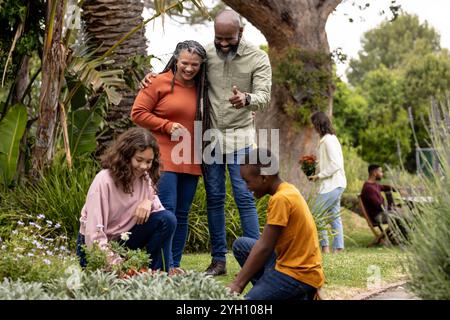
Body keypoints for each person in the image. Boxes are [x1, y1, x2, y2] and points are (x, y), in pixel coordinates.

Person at [141, 9, 272, 276]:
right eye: (218, 38)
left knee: (244, 197)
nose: (223, 44)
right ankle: (218, 261)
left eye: (229, 39)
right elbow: (181, 69)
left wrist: (247, 99)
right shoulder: (207, 54)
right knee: (214, 199)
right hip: (210, 137)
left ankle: (255, 261)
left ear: (241, 33)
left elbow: (264, 95)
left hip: (240, 138)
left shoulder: (258, 58)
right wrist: (152, 78)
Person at [131, 40, 210, 274]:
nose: (189, 68)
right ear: (176, 59)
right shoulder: (158, 82)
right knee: (168, 211)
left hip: (192, 157)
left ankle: (174, 265)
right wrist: (166, 125)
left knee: (183, 213)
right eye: (185, 62)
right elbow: (137, 113)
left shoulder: (203, 86)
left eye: (195, 64)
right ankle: (162, 264)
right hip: (164, 157)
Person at [228, 148, 325, 300]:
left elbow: (265, 247)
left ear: (264, 178)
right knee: (241, 246)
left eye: (248, 182)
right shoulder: (287, 189)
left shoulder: (281, 199)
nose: (247, 187)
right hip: (286, 263)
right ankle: (281, 292)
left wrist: (237, 284)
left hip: (299, 274)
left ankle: (297, 293)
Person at [76, 127, 176, 272]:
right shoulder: (104, 181)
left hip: (124, 241)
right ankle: (136, 273)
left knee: (167, 219)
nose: (143, 167)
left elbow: (163, 222)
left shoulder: (145, 178)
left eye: (148, 162)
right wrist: (119, 266)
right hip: (94, 248)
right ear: (126, 156)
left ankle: (159, 276)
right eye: (139, 160)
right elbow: (93, 237)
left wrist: (149, 201)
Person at [308, 111, 347, 254]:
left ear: (319, 124)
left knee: (315, 214)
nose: (313, 128)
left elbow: (335, 164)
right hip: (335, 184)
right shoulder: (329, 139)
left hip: (333, 184)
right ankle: (338, 248)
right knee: (334, 215)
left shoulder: (329, 140)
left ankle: (324, 247)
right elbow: (329, 162)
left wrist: (319, 175)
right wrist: (315, 170)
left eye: (314, 124)